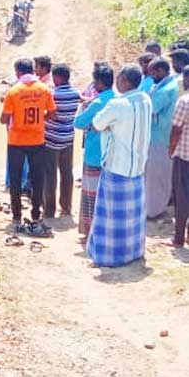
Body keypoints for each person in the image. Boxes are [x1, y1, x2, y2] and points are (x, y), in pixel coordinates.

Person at [87, 64, 152, 268]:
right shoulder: (146, 99)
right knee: (132, 216)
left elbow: (97, 123)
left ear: (124, 80)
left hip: (117, 166)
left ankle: (109, 256)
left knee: (110, 217)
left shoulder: (118, 104)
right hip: (138, 166)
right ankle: (133, 252)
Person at [1, 58, 57, 234]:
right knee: (37, 179)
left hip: (16, 141)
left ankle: (17, 217)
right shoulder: (44, 89)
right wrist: (40, 120)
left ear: (18, 72)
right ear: (32, 70)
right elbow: (53, 113)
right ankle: (35, 215)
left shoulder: (13, 91)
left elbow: (3, 118)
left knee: (16, 180)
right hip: (37, 140)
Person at [74, 63, 116, 241]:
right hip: (112, 156)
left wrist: (83, 107)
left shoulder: (97, 102)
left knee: (91, 195)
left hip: (93, 154)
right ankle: (105, 230)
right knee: (106, 195)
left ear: (98, 82)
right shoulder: (116, 98)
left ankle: (91, 233)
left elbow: (78, 123)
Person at [43, 63, 81, 218]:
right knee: (67, 173)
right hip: (68, 138)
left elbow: (48, 114)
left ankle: (49, 210)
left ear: (57, 77)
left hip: (51, 139)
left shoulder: (52, 94)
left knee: (50, 175)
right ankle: (66, 207)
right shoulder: (76, 93)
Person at [145, 57, 179, 219]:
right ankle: (156, 207)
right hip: (158, 136)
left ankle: (154, 210)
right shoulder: (162, 85)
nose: (151, 76)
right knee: (156, 175)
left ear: (160, 71)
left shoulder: (166, 90)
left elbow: (151, 108)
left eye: (152, 72)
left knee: (157, 176)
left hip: (160, 138)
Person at [169, 66, 189, 247]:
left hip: (184, 157)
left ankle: (178, 238)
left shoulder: (184, 101)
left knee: (181, 198)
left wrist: (171, 149)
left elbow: (176, 129)